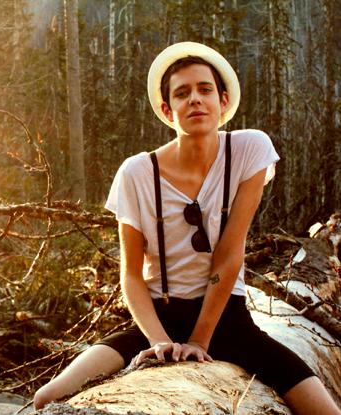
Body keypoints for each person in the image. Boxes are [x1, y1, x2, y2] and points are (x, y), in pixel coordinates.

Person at [34, 42, 341, 414]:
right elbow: (131, 275)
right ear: (167, 109)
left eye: (204, 89)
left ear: (223, 101)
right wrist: (160, 340)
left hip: (228, 319)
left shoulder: (249, 150)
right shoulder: (137, 172)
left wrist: (199, 340)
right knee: (47, 398)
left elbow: (229, 254)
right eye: (182, 93)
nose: (195, 100)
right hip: (159, 317)